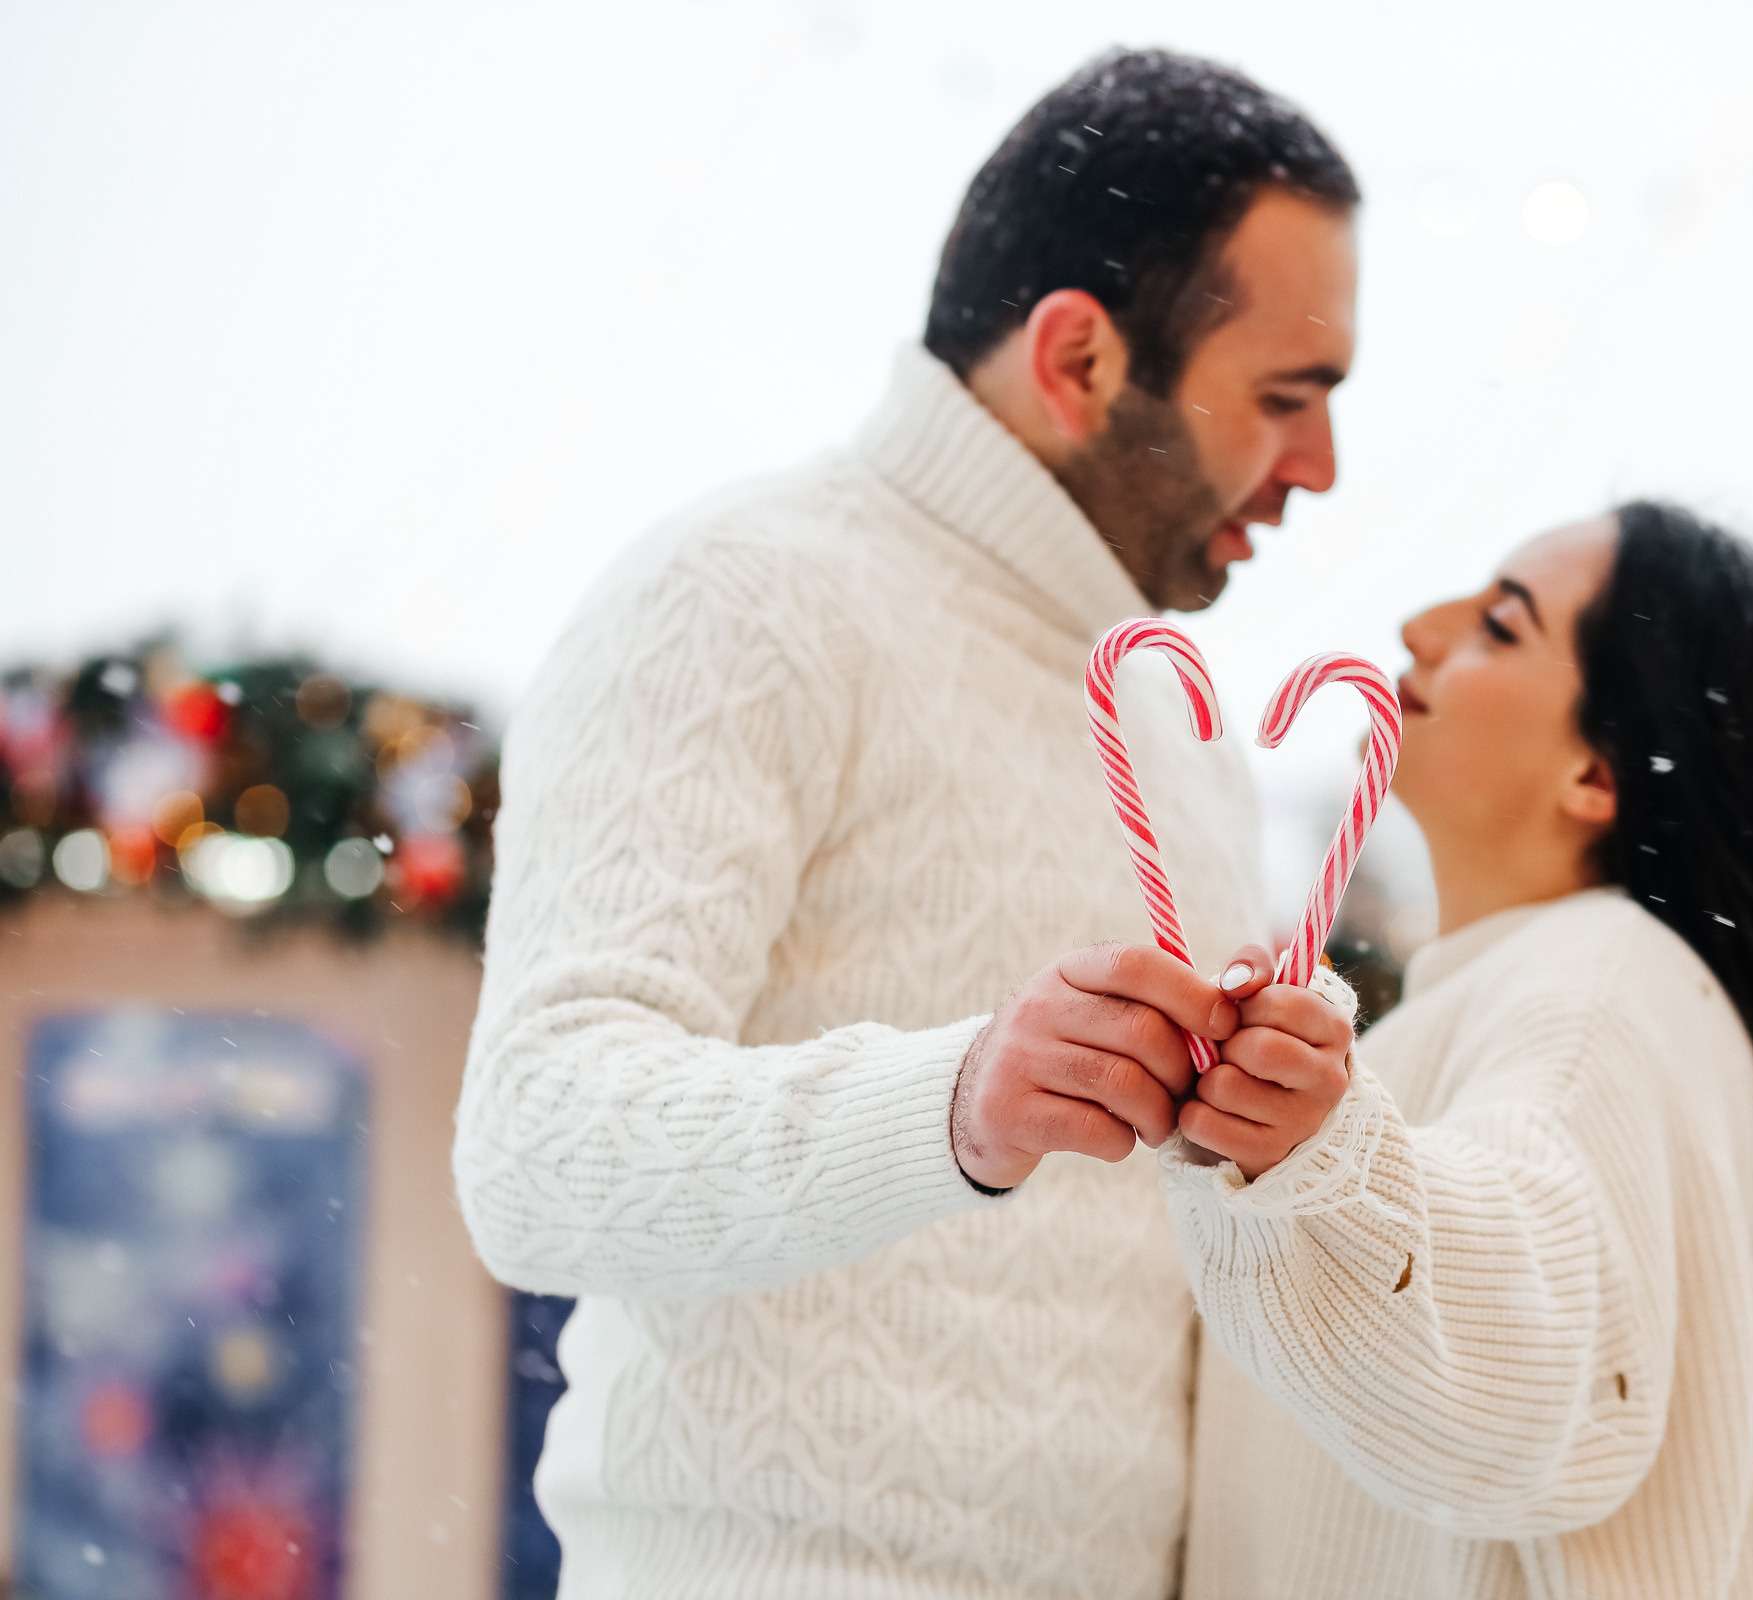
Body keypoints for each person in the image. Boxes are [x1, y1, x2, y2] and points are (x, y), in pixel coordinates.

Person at [453, 50, 1355, 1598]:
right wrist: (957, 1106)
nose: (1321, 471)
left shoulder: (1179, 729)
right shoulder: (740, 597)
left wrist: (1286, 1144)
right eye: (1286, 399)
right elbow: (537, 1151)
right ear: (1075, 358)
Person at [1159, 501, 1753, 1599]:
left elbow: (1529, 1367)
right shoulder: (1566, 993)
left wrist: (1313, 1163)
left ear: (1598, 776)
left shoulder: (1595, 990)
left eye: (1502, 624)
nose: (1421, 627)